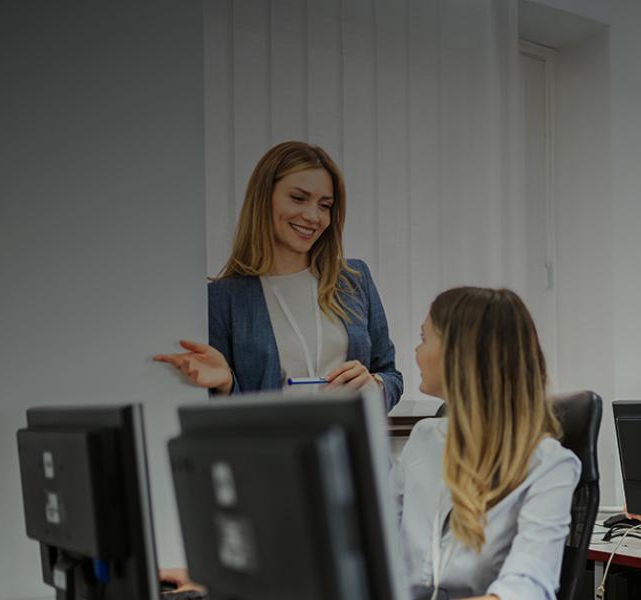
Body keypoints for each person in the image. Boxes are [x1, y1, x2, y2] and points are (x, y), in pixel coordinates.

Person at [154, 141, 403, 411]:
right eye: (298, 198)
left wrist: (374, 385)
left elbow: (391, 376)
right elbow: (230, 416)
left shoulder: (354, 279)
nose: (312, 216)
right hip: (274, 451)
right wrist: (226, 385)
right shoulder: (224, 298)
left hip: (354, 449)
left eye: (325, 205)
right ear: (265, 198)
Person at [393, 287, 580, 600]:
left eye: (425, 339)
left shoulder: (549, 464)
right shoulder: (424, 439)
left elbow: (526, 587)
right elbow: (370, 539)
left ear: (459, 353)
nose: (415, 351)